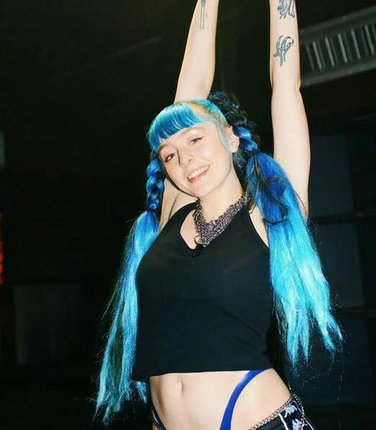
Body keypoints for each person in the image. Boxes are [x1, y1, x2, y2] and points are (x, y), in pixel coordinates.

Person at [95, 1, 341, 429]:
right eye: (169, 155)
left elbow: (286, 87)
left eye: (195, 139)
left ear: (230, 137)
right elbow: (187, 92)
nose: (184, 159)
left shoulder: (271, 215)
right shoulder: (172, 213)